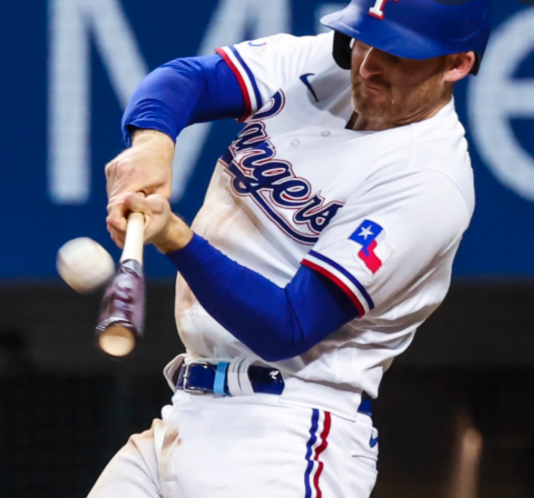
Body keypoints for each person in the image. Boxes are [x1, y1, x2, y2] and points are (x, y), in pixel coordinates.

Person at [89, 0, 492, 496]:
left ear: (457, 63)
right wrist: (151, 143)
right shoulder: (327, 63)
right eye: (364, 37)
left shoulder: (430, 180)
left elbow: (289, 325)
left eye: (397, 52)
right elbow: (188, 79)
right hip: (187, 407)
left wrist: (175, 238)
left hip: (285, 436)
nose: (367, 65)